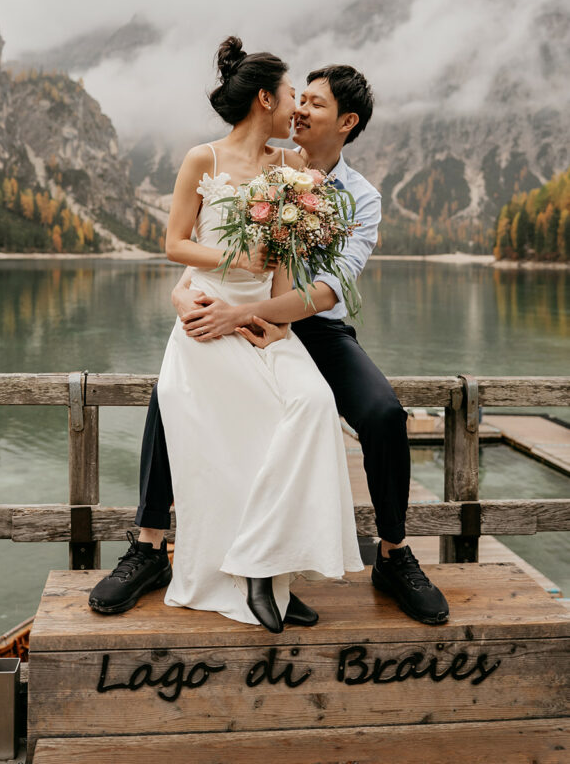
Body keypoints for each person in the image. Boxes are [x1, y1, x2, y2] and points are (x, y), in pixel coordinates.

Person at [90, 55, 450, 627]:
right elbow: (201, 249)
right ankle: (150, 545)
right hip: (242, 310)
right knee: (171, 394)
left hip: (313, 326)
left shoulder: (361, 197)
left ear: (347, 123)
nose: (301, 108)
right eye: (298, 98)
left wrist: (243, 314)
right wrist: (188, 296)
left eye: (315, 103)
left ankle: (393, 555)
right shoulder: (265, 162)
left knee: (383, 414)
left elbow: (326, 294)